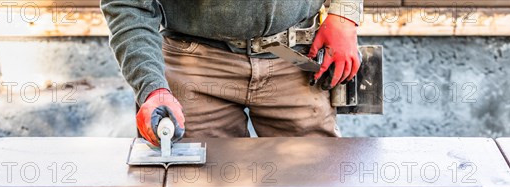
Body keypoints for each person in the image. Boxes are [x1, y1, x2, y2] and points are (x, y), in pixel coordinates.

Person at [101, 0, 363, 146]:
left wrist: (344, 16)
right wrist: (153, 87)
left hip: (295, 58)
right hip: (195, 63)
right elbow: (127, 4)